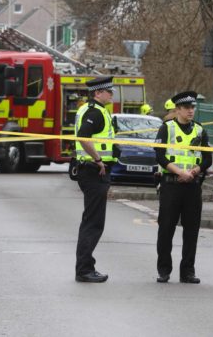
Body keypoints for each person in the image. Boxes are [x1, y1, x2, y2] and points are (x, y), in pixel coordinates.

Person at [154, 91, 212, 284]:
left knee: (191, 231)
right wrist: (180, 172)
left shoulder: (200, 130)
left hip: (192, 187)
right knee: (166, 229)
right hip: (171, 185)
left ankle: (187, 271)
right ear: (178, 109)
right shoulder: (167, 128)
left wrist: (194, 172)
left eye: (192, 107)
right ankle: (164, 270)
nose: (191, 111)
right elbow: (160, 157)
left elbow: (207, 158)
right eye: (187, 108)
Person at [74, 76, 117, 283]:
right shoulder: (94, 112)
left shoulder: (88, 109)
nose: (112, 94)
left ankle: (85, 267)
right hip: (94, 171)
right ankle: (84, 269)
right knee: (93, 223)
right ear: (98, 93)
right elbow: (83, 137)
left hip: (90, 170)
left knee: (91, 221)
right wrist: (98, 159)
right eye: (109, 91)